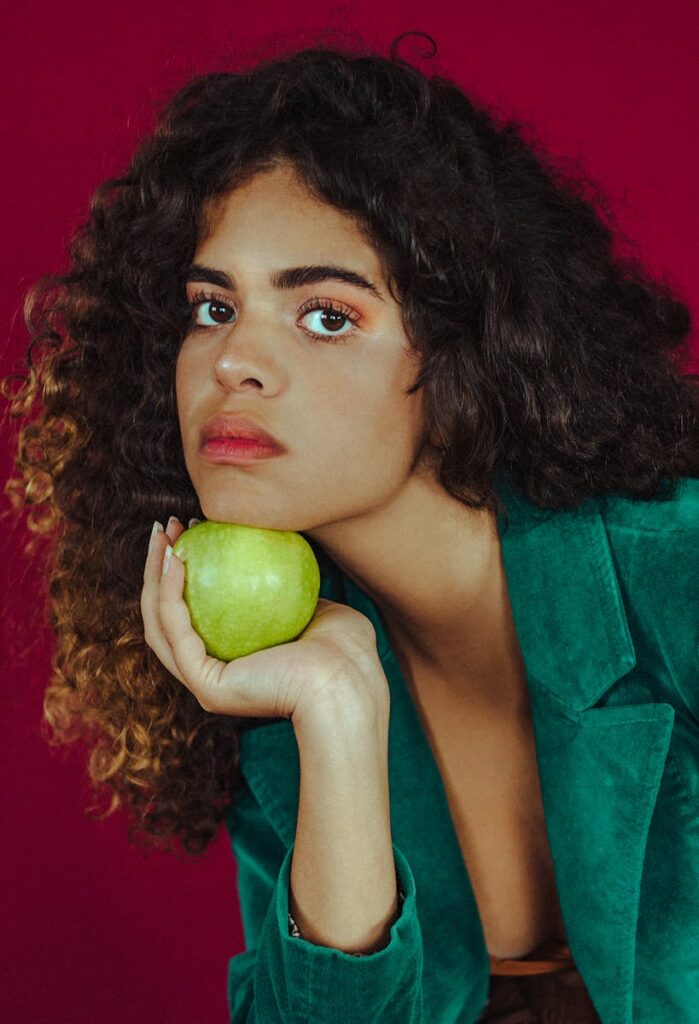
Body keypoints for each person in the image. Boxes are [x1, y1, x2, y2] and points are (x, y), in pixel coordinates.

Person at [3, 30, 698, 1024]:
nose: (234, 361)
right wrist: (335, 714)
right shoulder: (285, 662)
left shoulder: (676, 575)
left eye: (325, 315)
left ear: (467, 359)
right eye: (210, 308)